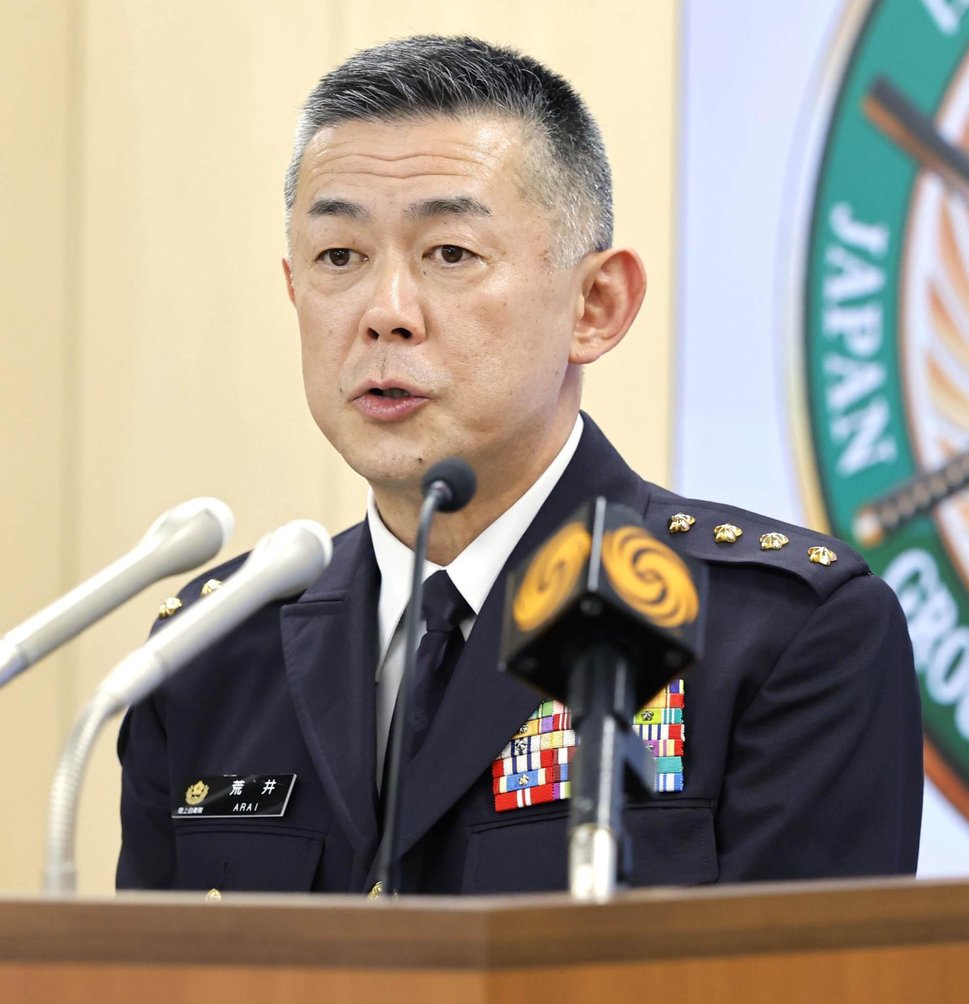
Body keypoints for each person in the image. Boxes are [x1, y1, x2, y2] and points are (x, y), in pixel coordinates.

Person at [116, 35, 923, 894]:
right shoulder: (211, 655)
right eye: (339, 258)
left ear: (595, 305)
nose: (385, 314)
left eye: (450, 254)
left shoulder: (782, 636)